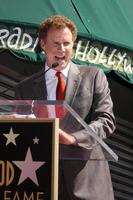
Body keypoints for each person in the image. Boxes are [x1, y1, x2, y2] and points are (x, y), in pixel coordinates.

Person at [15, 15, 116, 200]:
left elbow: (106, 121)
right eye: (56, 43)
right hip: (41, 182)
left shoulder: (94, 77)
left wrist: (72, 138)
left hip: (87, 185)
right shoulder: (25, 88)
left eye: (67, 44)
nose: (62, 50)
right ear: (43, 44)